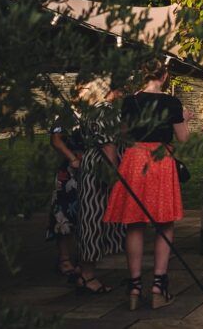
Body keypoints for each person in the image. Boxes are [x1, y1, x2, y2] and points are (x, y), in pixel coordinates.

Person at [104, 59, 190, 311]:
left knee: (134, 222)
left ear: (144, 75)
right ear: (164, 77)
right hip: (160, 160)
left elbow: (123, 133)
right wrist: (184, 118)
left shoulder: (130, 101)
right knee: (164, 222)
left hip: (134, 158)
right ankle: (158, 287)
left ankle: (134, 287)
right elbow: (183, 137)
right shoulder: (172, 102)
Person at [72, 78, 127, 295]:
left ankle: (82, 269)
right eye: (121, 89)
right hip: (100, 168)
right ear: (112, 90)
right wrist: (114, 173)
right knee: (93, 219)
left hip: (91, 163)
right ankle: (87, 275)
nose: (123, 93)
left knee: (90, 217)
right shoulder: (106, 110)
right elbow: (108, 144)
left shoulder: (95, 109)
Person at [45, 87, 85, 282]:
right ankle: (64, 259)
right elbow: (56, 139)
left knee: (84, 214)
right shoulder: (68, 114)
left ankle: (82, 257)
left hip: (88, 170)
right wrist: (72, 158)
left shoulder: (94, 113)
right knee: (64, 216)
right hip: (69, 172)